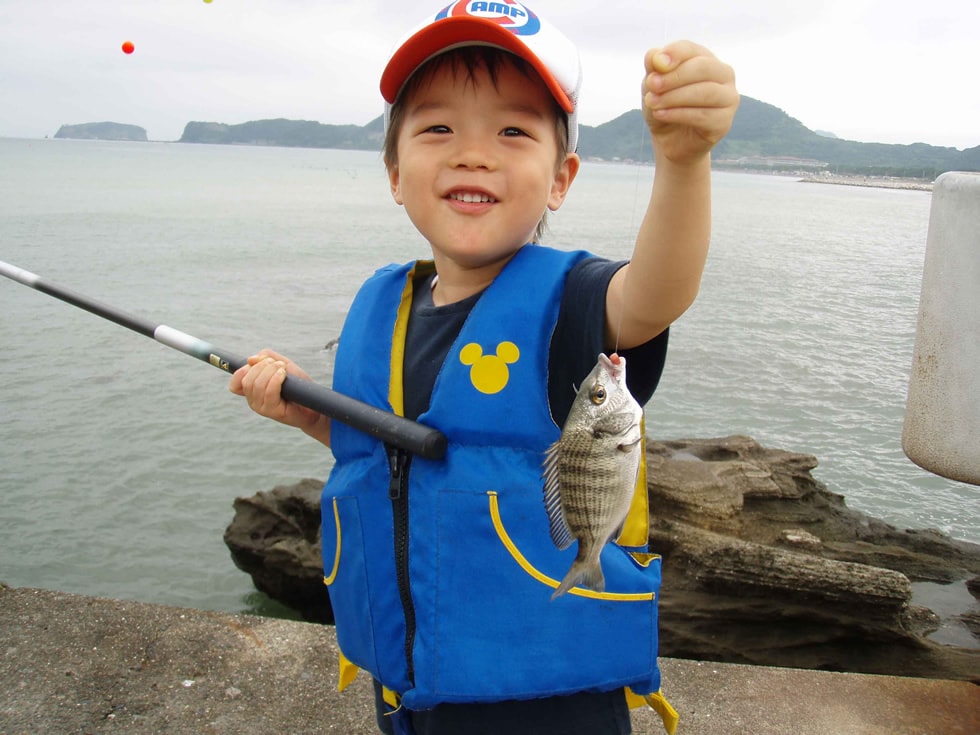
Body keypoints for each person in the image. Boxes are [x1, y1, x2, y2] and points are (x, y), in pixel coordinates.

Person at [230, 3, 738, 734]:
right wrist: (309, 412)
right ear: (396, 172)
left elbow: (660, 289)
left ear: (561, 179)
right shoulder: (385, 305)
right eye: (438, 128)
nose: (473, 153)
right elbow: (406, 455)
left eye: (512, 130)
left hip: (543, 700)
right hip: (411, 687)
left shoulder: (575, 303)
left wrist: (684, 162)